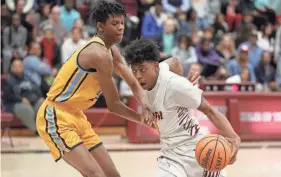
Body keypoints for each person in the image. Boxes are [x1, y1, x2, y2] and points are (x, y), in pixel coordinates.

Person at [36, 1, 200, 177]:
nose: (121, 27)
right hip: (56, 115)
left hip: (77, 115)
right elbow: (113, 104)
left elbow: (132, 82)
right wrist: (142, 119)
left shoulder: (111, 50)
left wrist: (146, 105)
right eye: (115, 24)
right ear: (100, 26)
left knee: (112, 175)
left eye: (122, 23)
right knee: (95, 174)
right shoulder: (99, 54)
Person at [124, 38, 241, 177]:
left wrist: (233, 137)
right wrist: (146, 107)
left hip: (199, 150)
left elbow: (209, 111)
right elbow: (174, 61)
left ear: (156, 66)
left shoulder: (175, 85)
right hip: (171, 157)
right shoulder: (148, 77)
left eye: (142, 69)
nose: (138, 75)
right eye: (134, 70)